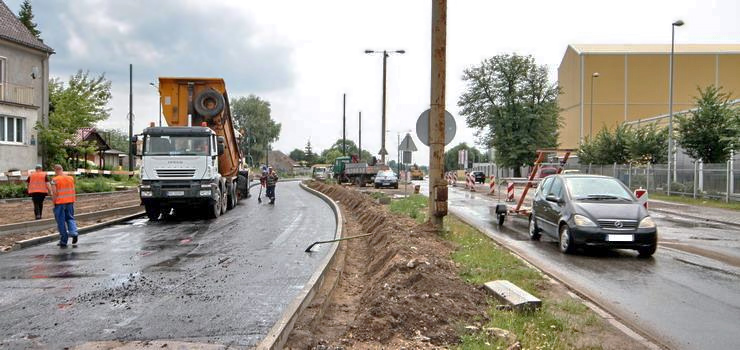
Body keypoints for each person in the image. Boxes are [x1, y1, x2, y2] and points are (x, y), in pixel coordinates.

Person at [50, 164, 78, 248]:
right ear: (62, 169)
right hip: (70, 202)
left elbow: (54, 193)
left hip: (60, 203)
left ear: (56, 170)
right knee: (70, 218)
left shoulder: (54, 180)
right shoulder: (70, 178)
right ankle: (74, 233)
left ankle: (63, 240)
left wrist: (54, 202)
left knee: (61, 222)